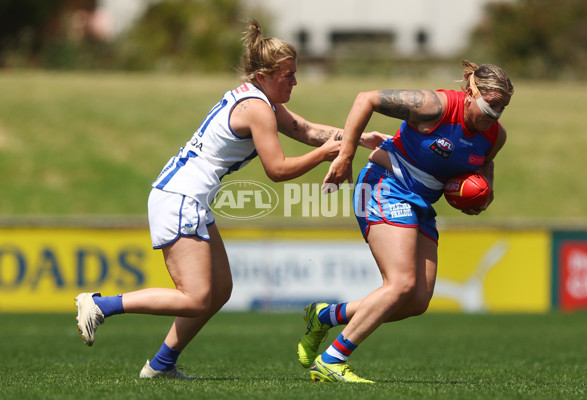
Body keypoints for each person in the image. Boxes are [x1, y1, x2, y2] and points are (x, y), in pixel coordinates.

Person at [74, 18, 386, 379]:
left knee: (220, 289)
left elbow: (306, 130)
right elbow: (278, 169)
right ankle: (100, 305)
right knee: (193, 297)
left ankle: (161, 365)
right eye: (288, 75)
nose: (295, 81)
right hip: (180, 197)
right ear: (264, 75)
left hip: (186, 196)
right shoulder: (256, 108)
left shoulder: (259, 99)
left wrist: (356, 139)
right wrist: (327, 154)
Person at [297, 60, 514, 383]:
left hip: (421, 202)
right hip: (385, 184)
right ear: (470, 92)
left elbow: (486, 165)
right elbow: (365, 99)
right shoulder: (434, 107)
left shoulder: (494, 135)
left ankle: (325, 315)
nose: (495, 114)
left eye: (502, 108)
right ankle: (332, 360)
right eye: (491, 105)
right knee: (400, 284)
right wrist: (345, 156)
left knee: (417, 300)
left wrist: (484, 192)